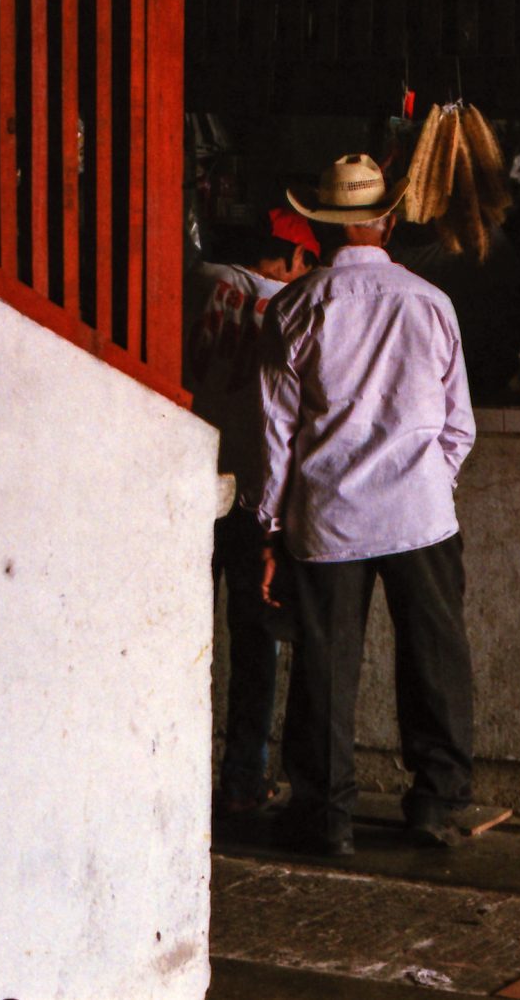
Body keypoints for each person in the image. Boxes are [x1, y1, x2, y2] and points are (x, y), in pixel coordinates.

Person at [255, 154, 478, 856]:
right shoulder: (431, 303)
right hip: (421, 514)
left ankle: (326, 817)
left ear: (321, 227)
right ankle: (434, 807)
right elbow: (458, 425)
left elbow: (276, 436)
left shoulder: (293, 307)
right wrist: (426, 482)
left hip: (330, 516)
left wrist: (269, 525)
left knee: (325, 667)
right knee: (435, 659)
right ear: (385, 220)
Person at [188, 207, 322, 818]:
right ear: (294, 259)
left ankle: (176, 772)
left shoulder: (202, 278)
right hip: (255, 499)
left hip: (187, 484)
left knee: (182, 637)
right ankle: (243, 779)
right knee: (254, 643)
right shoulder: (297, 308)